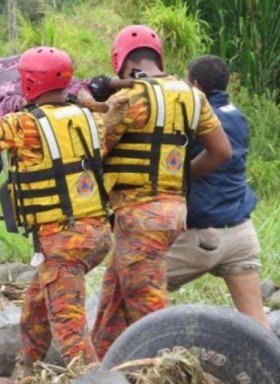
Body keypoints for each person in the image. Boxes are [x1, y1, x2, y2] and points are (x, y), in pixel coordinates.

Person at [0, 46, 120, 376]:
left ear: (30, 82)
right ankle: (27, 372)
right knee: (34, 306)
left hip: (64, 242)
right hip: (97, 235)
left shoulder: (23, 124)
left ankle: (96, 379)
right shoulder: (90, 118)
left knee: (72, 337)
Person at [89, 25, 232, 358]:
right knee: (114, 297)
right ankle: (103, 370)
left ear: (119, 60)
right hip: (172, 213)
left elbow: (91, 149)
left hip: (139, 217)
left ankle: (169, 370)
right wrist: (178, 177)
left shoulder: (129, 97)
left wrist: (91, 104)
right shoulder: (192, 95)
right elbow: (222, 152)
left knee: (149, 312)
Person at [166, 55, 271, 330]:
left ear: (196, 86)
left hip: (202, 235)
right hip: (241, 233)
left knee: (134, 288)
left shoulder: (196, 117)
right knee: (257, 327)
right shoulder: (237, 115)